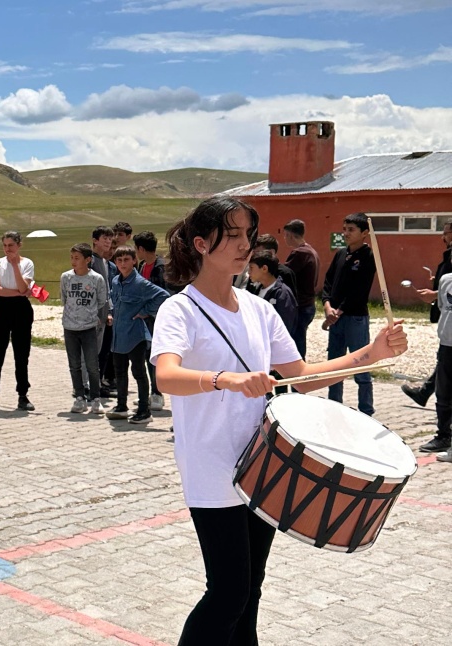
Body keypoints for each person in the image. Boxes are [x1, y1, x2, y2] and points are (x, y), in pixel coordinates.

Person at [151, 196, 406, 646]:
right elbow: (167, 376)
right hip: (211, 467)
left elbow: (301, 378)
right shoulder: (180, 310)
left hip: (264, 463)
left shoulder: (259, 309)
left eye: (248, 235)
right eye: (231, 235)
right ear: (201, 244)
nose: (244, 244)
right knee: (227, 592)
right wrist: (224, 379)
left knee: (250, 589)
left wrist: (372, 354)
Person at [321, 213, 377, 415]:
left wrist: (340, 310)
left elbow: (359, 290)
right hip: (334, 318)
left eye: (351, 230)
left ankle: (366, 411)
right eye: (344, 229)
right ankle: (334, 406)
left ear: (364, 233)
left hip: (355, 318)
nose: (346, 233)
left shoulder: (369, 257)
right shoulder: (340, 254)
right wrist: (327, 306)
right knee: (334, 365)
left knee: (360, 365)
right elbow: (327, 282)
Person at [107, 245, 169, 424]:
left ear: (134, 261)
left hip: (136, 337)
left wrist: (146, 311)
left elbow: (163, 296)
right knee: (119, 372)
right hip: (118, 336)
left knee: (139, 372)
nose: (122, 263)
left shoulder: (141, 283)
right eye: (119, 260)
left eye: (126, 259)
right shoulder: (116, 281)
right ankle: (121, 406)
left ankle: (144, 411)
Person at [401, 220, 452, 413]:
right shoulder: (447, 255)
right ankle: (425, 392)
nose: (443, 237)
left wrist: (435, 293)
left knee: (445, 359)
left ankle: (428, 394)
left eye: (447, 233)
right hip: (446, 314)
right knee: (444, 358)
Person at [0, 231, 35, 412]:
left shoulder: (27, 263)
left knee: (21, 354)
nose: (7, 249)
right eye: (5, 245)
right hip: (1, 308)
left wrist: (14, 267)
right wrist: (19, 292)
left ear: (19, 245)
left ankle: (23, 394)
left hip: (21, 309)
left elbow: (23, 286)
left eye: (11, 245)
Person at [61, 243, 108, 415]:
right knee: (74, 365)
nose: (73, 261)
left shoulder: (96, 279)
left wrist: (90, 314)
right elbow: (64, 298)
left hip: (89, 327)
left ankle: (95, 399)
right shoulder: (66, 277)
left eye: (77, 258)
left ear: (88, 260)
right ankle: (79, 397)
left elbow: (102, 300)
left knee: (92, 365)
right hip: (70, 327)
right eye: (72, 257)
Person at [416, 273, 452, 460]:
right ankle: (443, 436)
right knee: (443, 394)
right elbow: (442, 308)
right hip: (446, 344)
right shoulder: (446, 279)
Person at [134, 231, 169, 411]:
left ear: (141, 248)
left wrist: (147, 311)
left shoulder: (161, 268)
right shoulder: (141, 266)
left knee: (156, 357)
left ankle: (157, 393)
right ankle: (150, 392)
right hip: (143, 321)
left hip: (157, 320)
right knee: (146, 356)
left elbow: (164, 296)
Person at [282, 219, 320, 359]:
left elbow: (284, 273)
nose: (285, 239)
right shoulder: (310, 251)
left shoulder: (300, 253)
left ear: (291, 235)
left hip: (301, 305)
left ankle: (298, 376)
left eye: (286, 235)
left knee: (296, 344)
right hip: (308, 304)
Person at [91, 226, 118, 396]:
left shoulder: (109, 264)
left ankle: (99, 382)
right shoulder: (91, 262)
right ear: (95, 240)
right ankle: (92, 385)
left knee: (105, 350)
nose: (108, 242)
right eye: (104, 239)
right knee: (93, 350)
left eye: (110, 239)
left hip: (108, 313)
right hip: (95, 313)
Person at [248, 250, 297, 334]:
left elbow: (286, 326)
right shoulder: (257, 290)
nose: (248, 272)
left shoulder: (282, 294)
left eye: (251, 268)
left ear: (264, 268)